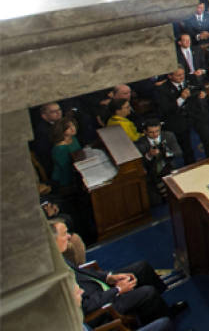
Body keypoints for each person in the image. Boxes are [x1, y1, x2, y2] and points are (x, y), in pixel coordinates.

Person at [53, 220, 185, 324]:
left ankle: (163, 309)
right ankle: (161, 320)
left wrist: (109, 277)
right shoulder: (56, 277)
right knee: (147, 293)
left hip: (101, 289)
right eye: (64, 234)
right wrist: (117, 290)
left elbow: (83, 274)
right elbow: (86, 307)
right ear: (53, 240)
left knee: (142, 268)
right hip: (101, 308)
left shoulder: (58, 258)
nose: (70, 236)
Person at [156, 68, 209, 163]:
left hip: (196, 113)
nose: (182, 77)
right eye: (178, 75)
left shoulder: (191, 78)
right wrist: (181, 99)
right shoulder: (162, 89)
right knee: (186, 146)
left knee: (207, 138)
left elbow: (201, 87)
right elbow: (166, 109)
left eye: (183, 74)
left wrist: (203, 93)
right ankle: (191, 165)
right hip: (179, 118)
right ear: (169, 76)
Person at [134, 119, 181, 203]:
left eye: (157, 131)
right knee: (156, 202)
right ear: (145, 132)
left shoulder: (168, 136)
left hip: (169, 167)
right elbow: (140, 164)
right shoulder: (140, 144)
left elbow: (178, 152)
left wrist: (165, 153)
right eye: (151, 132)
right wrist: (149, 155)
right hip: (152, 173)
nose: (155, 134)